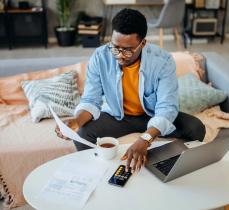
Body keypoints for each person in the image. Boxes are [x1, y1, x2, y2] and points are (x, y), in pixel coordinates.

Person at [56, 8, 205, 173]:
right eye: (115, 47)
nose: (119, 55)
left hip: (152, 114)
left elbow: (167, 107)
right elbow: (91, 100)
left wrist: (145, 139)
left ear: (143, 43)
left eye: (127, 50)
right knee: (83, 133)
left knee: (195, 128)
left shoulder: (162, 61)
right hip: (118, 116)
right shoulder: (100, 57)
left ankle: (165, 167)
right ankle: (98, 174)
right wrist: (76, 121)